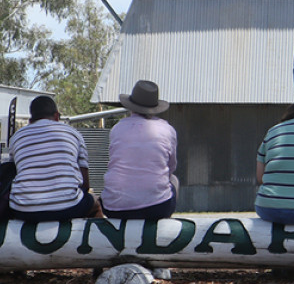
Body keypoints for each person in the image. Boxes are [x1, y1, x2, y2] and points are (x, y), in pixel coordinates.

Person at [8, 95, 102, 221]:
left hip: (23, 209)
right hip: (69, 207)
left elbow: (11, 172)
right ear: (57, 116)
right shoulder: (73, 133)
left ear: (31, 120)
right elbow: (85, 184)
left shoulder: (17, 137)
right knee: (95, 203)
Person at [100, 80, 178, 220]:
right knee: (174, 180)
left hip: (114, 208)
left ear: (131, 106)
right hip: (156, 208)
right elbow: (171, 167)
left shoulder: (117, 128)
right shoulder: (167, 130)